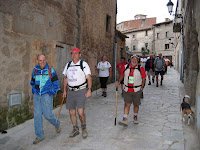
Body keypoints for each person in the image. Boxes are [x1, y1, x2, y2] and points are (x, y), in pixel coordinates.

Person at [30, 54, 61, 144]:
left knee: (48, 115)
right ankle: (40, 136)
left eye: (43, 60)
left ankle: (57, 124)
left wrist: (49, 93)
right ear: (37, 61)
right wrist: (34, 90)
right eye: (40, 60)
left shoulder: (51, 70)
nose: (42, 62)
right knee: (37, 116)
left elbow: (56, 84)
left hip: (46, 95)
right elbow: (32, 81)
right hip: (36, 96)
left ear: (45, 60)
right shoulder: (35, 70)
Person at [63, 48, 92, 139]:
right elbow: (65, 78)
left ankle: (83, 128)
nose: (74, 55)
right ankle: (75, 129)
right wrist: (64, 90)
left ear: (80, 55)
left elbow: (89, 77)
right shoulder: (68, 65)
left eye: (76, 53)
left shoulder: (83, 64)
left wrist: (89, 89)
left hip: (81, 90)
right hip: (71, 91)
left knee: (80, 112)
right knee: (71, 112)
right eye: (73, 53)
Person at [116, 55, 146, 126]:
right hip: (127, 89)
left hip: (137, 90)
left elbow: (144, 78)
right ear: (131, 60)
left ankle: (135, 116)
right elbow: (122, 75)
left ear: (138, 61)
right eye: (133, 59)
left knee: (136, 104)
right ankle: (125, 119)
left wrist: (142, 87)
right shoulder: (125, 67)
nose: (134, 60)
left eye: (136, 59)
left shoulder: (140, 68)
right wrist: (119, 82)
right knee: (127, 104)